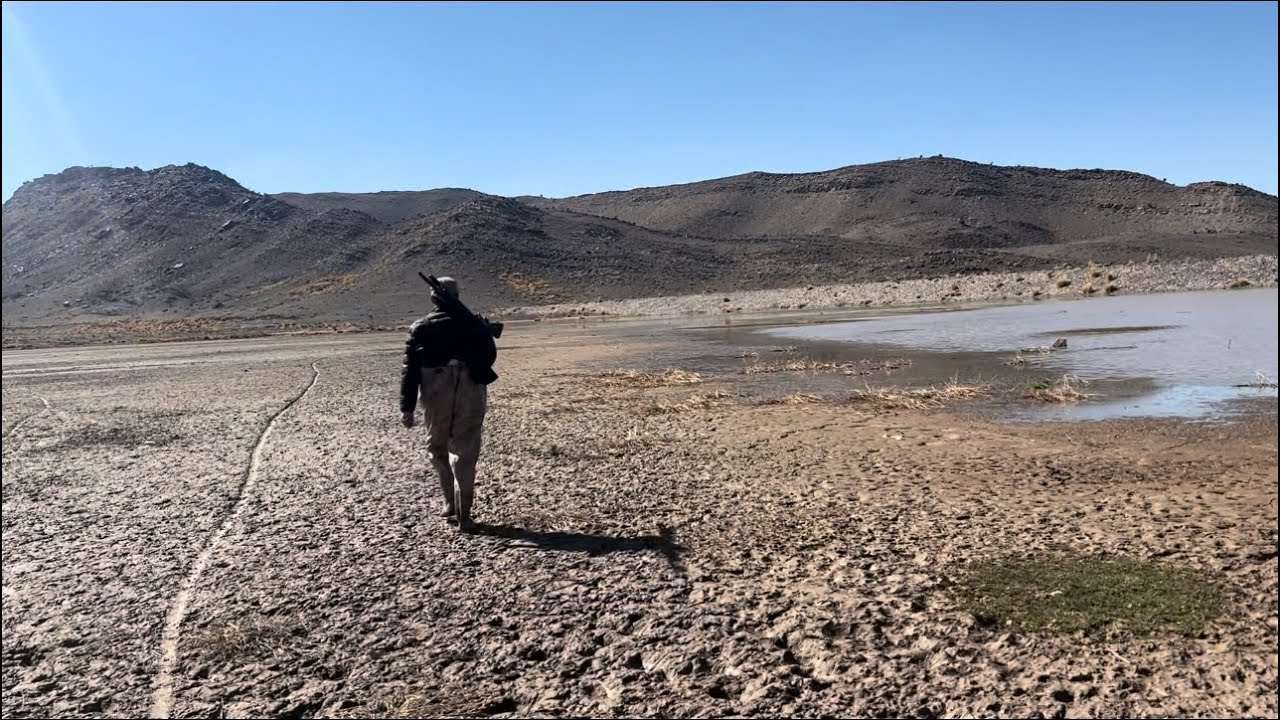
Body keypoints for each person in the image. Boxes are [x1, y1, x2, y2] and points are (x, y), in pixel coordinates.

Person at [399, 276, 497, 532]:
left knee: (438, 448)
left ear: (433, 298)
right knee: (465, 451)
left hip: (435, 389)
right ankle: (464, 515)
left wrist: (407, 409)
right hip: (471, 389)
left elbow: (410, 371)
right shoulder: (472, 325)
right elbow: (489, 356)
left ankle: (450, 504)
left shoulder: (420, 327)